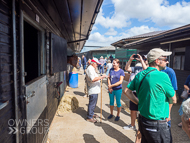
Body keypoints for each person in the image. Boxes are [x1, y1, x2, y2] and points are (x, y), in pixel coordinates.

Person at [123, 48, 177, 143]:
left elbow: (127, 91)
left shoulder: (140, 75)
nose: (167, 62)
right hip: (157, 123)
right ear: (157, 61)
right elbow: (174, 99)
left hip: (143, 120)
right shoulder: (162, 76)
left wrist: (138, 102)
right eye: (164, 59)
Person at [86, 58, 107, 123]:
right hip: (93, 89)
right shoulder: (90, 69)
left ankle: (91, 114)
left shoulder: (92, 69)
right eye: (96, 64)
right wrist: (101, 77)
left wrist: (100, 76)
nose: (97, 65)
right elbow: (93, 79)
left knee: (94, 103)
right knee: (92, 103)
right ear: (93, 63)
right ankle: (89, 117)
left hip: (95, 89)